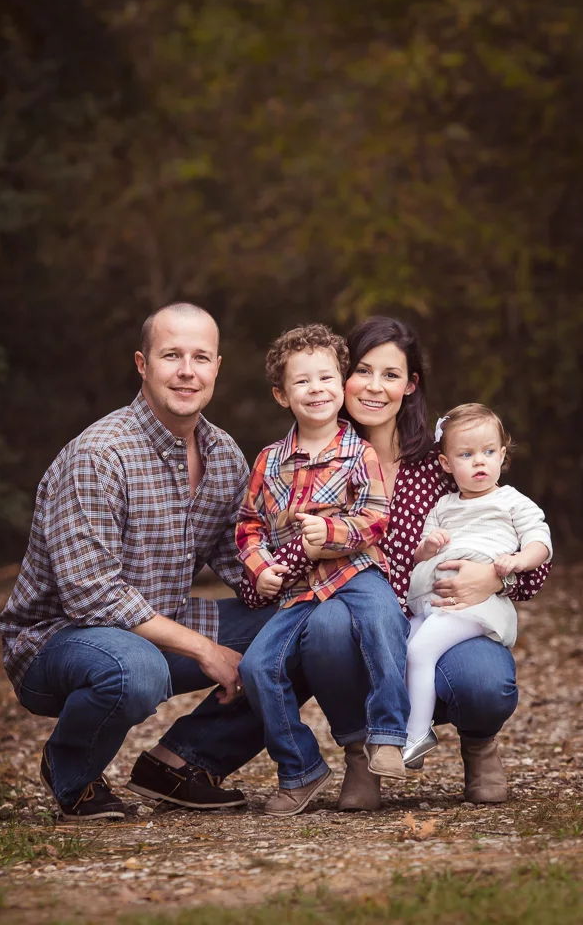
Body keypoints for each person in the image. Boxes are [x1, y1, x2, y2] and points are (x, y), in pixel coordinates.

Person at [236, 316, 552, 809]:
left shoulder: (445, 461)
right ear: (343, 378)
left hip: (440, 615)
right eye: (364, 370)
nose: (376, 387)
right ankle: (362, 753)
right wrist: (284, 560)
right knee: (327, 626)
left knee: (485, 682)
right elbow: (266, 541)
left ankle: (479, 742)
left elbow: (514, 529)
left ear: (411, 385)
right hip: (358, 620)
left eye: (392, 374)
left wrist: (494, 578)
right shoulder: (317, 464)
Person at [0, 303, 279, 821]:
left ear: (218, 366)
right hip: (58, 639)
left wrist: (310, 580)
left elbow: (240, 560)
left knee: (299, 630)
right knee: (135, 668)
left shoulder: (223, 456)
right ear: (142, 364)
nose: (187, 371)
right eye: (171, 355)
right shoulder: (100, 454)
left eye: (200, 357)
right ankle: (72, 770)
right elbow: (92, 596)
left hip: (159, 620)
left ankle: (181, 763)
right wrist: (206, 650)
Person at [235, 324, 410, 815]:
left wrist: (332, 536)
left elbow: (377, 518)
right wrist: (260, 567)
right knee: (256, 666)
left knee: (384, 621)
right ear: (281, 394)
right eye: (303, 382)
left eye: (327, 378)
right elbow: (248, 526)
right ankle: (300, 769)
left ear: (341, 384)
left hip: (356, 573)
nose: (317, 390)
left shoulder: (360, 452)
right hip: (296, 591)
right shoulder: (269, 461)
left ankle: (388, 735)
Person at [402, 403, 552, 764]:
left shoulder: (511, 502)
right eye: (466, 455)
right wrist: (428, 546)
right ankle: (394, 732)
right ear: (446, 464)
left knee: (418, 653)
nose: (479, 462)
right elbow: (419, 554)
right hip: (431, 602)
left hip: (473, 605)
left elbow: (540, 543)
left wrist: (517, 561)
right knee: (401, 647)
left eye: (488, 452)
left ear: (502, 455)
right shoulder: (442, 506)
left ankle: (416, 735)